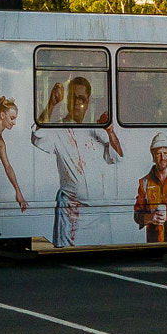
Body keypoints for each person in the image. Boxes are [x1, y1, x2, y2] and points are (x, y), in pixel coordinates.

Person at [31, 75, 123, 248]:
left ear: (88, 102)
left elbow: (116, 156)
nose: (76, 103)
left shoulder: (96, 128)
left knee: (102, 258)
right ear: (67, 101)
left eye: (80, 99)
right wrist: (51, 104)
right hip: (71, 212)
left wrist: (110, 132)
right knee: (67, 259)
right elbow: (37, 137)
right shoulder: (58, 128)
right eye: (72, 98)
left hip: (98, 213)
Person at [0, 97, 29, 213]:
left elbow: (8, 167)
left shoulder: (0, 143)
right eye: (12, 118)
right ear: (2, 115)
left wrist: (17, 191)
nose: (14, 123)